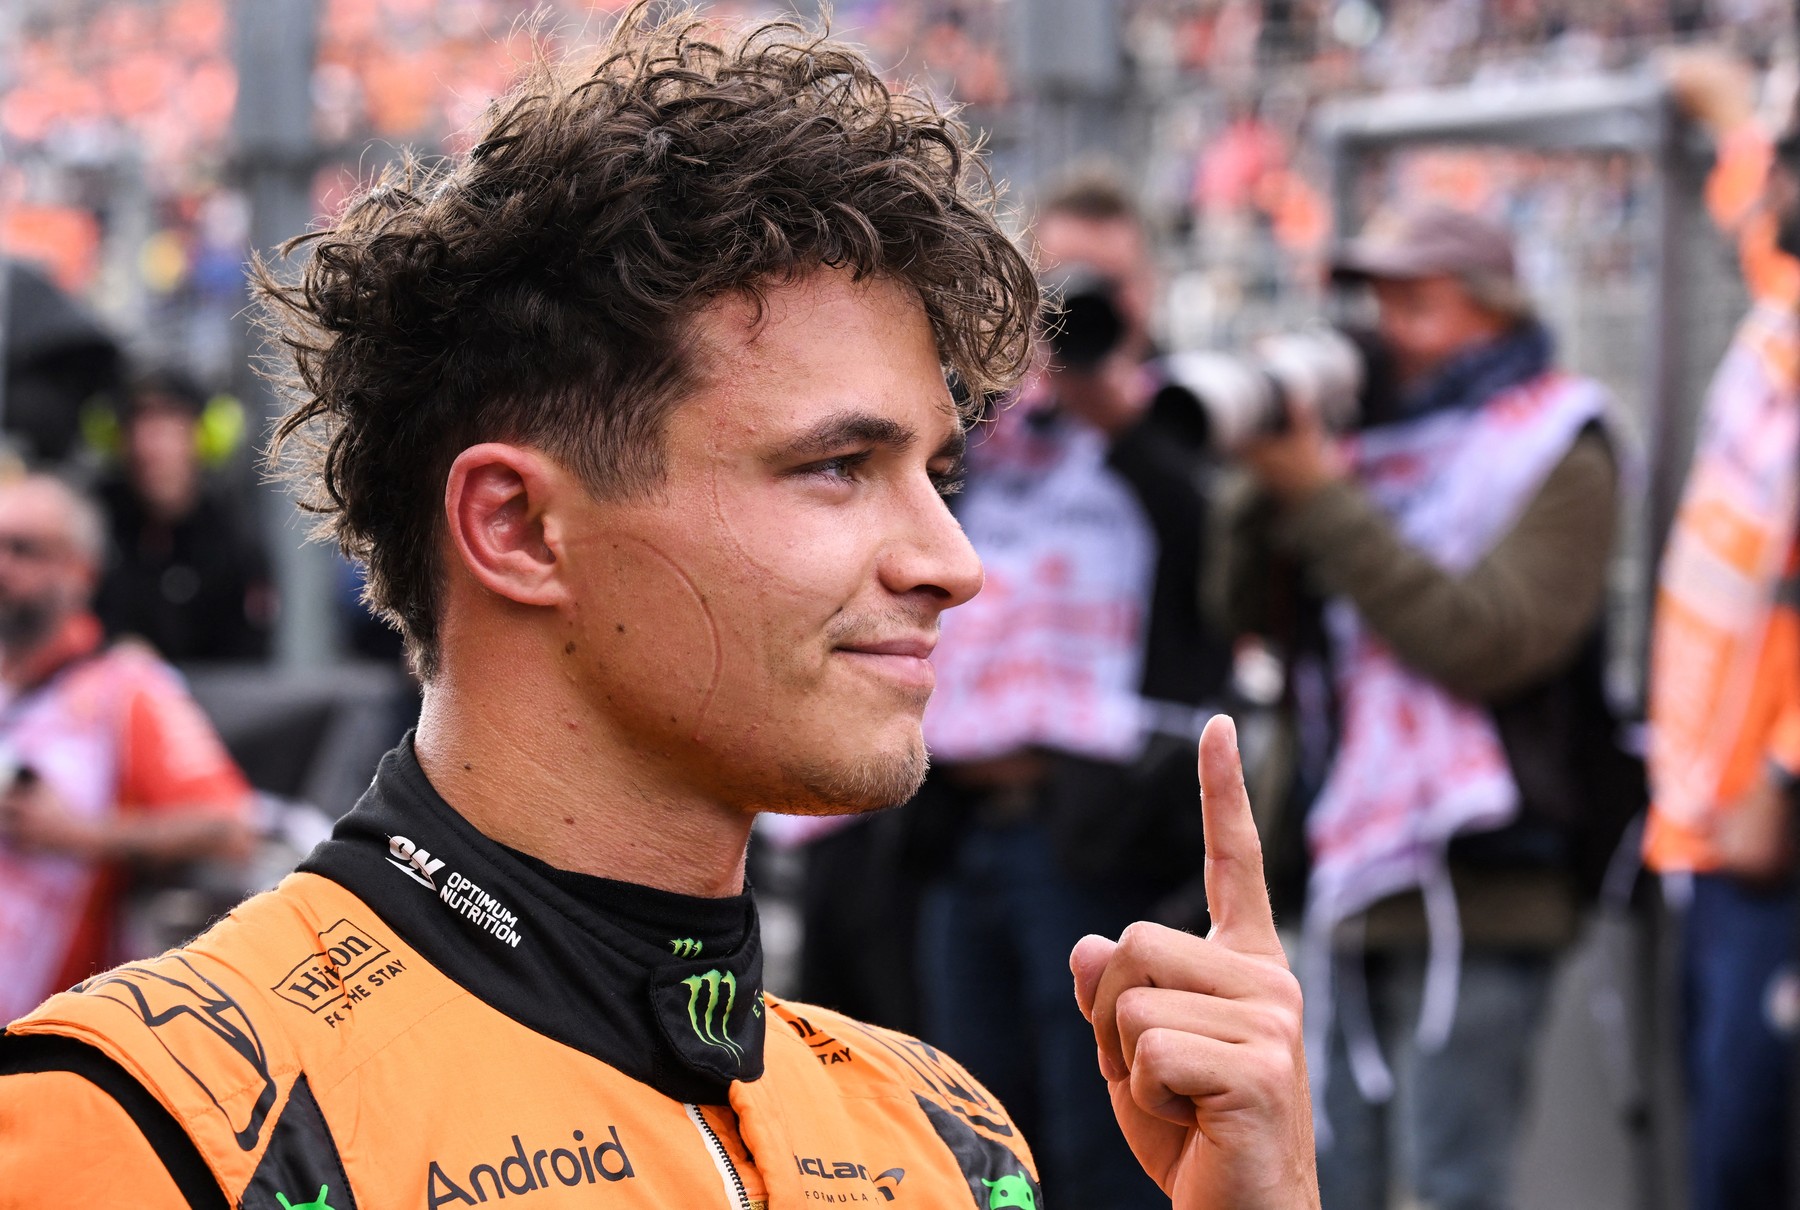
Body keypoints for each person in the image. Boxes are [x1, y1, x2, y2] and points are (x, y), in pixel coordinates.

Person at [0, 13, 1319, 1210]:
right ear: (516, 527)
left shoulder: (948, 1137)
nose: (952, 560)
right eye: (837, 467)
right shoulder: (160, 1128)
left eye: (942, 471)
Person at [1210, 205, 1621, 1210]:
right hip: (1342, 876)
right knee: (1318, 1182)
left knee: (1448, 1186)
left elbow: (1484, 640)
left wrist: (1321, 495)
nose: (1385, 326)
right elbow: (1231, 610)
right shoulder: (1364, 445)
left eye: (1417, 303)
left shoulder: (1562, 447)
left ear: (1492, 313)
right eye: (1378, 298)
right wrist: (1269, 477)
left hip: (1486, 884)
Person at [909, 170, 1235, 1209]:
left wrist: (1117, 412)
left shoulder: (1188, 417)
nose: (1083, 307)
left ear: (1150, 296)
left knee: (1107, 1149)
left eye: (1108, 285)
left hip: (1105, 840)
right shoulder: (979, 429)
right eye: (1056, 286)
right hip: (961, 829)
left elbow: (1220, 562)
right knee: (982, 1144)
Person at [1648, 49, 1800, 1210]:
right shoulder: (1787, 299)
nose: (1773, 183)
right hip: (1713, 815)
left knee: (1748, 1163)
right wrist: (1739, 117)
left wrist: (1785, 780)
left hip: (1770, 826)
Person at [0, 473, 255, 1025]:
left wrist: (78, 835)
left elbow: (231, 826)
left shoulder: (127, 686)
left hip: (46, 1043)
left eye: (23, 549)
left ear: (79, 573)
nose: (2, 566)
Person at [94, 366, 274, 662]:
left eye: (168, 428)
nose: (149, 447)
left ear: (205, 436)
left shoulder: (233, 539)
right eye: (137, 427)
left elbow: (248, 665)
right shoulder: (90, 525)